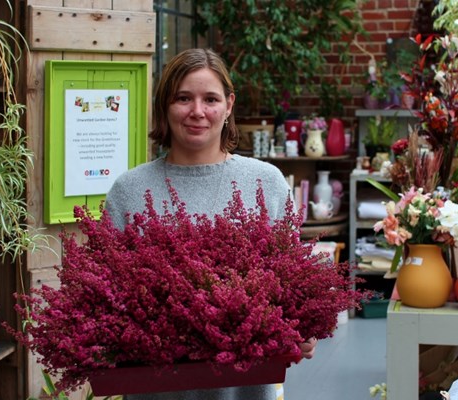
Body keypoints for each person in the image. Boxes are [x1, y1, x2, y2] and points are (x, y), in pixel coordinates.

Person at [104, 48, 316, 400]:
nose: (197, 112)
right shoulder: (130, 191)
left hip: (248, 391)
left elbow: (291, 286)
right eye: (183, 98)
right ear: (164, 105)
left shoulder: (266, 183)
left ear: (229, 105)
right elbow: (107, 301)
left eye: (211, 99)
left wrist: (302, 329)